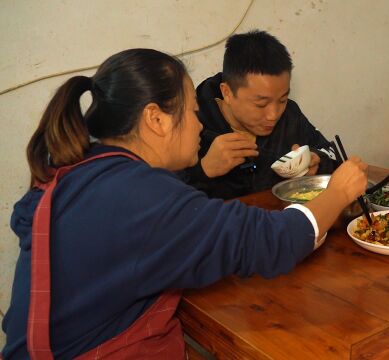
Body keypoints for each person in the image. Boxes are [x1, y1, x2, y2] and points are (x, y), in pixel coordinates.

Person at [1, 48, 368, 359]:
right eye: (193, 112)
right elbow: (273, 241)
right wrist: (337, 192)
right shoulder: (138, 196)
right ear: (156, 119)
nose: (197, 126)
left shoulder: (84, 168)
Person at [181, 30, 338, 199]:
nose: (273, 115)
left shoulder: (290, 116)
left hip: (281, 221)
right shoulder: (193, 125)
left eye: (282, 99)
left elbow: (332, 155)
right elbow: (165, 204)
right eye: (261, 104)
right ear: (227, 93)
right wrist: (204, 170)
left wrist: (317, 161)